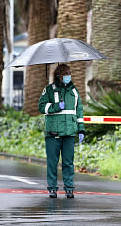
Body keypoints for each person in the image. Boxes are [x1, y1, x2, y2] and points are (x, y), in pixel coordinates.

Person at [38, 63, 85, 198]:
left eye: (69, 74)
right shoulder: (49, 90)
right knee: (52, 162)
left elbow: (79, 111)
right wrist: (56, 106)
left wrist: (81, 130)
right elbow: (41, 107)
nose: (68, 77)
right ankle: (52, 188)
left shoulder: (74, 91)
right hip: (53, 133)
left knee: (68, 162)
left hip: (69, 132)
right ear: (58, 76)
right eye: (65, 74)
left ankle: (69, 188)